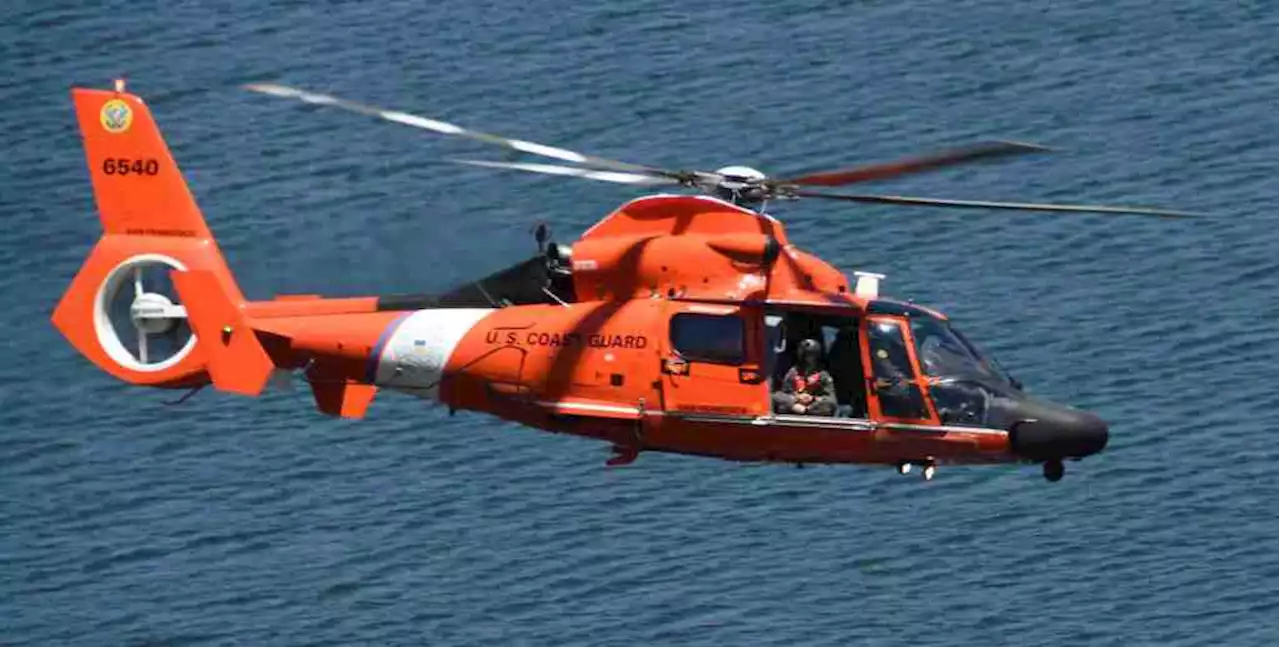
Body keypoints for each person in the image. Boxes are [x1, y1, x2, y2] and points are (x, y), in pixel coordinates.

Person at [771, 338, 837, 416]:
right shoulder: (792, 372)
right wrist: (795, 400)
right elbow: (781, 394)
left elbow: (831, 399)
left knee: (828, 405)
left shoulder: (823, 375)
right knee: (775, 398)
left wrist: (812, 399)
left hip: (814, 408)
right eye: (806, 355)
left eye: (812, 355)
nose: (809, 359)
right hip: (794, 406)